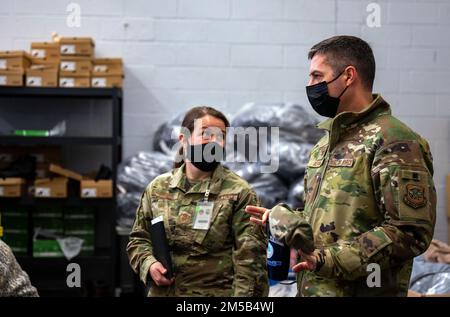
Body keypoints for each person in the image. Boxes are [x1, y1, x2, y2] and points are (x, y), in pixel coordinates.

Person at [246, 35, 436, 297]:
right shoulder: (326, 144)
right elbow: (329, 218)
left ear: (348, 76)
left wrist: (329, 260)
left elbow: (410, 232)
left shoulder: (394, 140)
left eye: (316, 76)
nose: (310, 85)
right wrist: (285, 219)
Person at [127, 106, 269, 297]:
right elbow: (139, 239)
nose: (214, 142)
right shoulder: (158, 189)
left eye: (220, 136)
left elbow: (250, 265)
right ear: (183, 140)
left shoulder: (239, 193)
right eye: (206, 134)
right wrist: (149, 264)